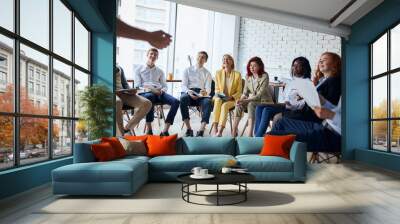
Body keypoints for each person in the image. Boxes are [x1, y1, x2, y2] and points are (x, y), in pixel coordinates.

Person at [254, 56, 312, 137]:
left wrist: (289, 104)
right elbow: (286, 96)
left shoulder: (307, 83)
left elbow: (304, 103)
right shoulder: (293, 81)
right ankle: (257, 135)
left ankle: (258, 138)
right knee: (259, 107)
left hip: (292, 110)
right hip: (284, 105)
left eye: (297, 66)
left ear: (304, 68)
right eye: (293, 65)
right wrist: (284, 102)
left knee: (267, 110)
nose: (294, 68)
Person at [270, 97, 341, 154]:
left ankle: (272, 159)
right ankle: (274, 156)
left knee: (273, 136)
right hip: (323, 125)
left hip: (334, 137)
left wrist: (331, 115)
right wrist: (323, 102)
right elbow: (338, 110)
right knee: (281, 122)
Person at [134, 48, 180, 136]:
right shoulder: (138, 69)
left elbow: (165, 86)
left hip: (159, 92)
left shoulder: (160, 71)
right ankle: (149, 129)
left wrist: (161, 91)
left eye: (155, 55)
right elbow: (137, 86)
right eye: (151, 54)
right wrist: (151, 89)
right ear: (147, 55)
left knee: (176, 101)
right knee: (150, 97)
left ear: (157, 57)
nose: (153, 56)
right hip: (146, 93)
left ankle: (165, 130)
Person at [231, 57, 272, 137]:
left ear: (260, 66)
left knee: (251, 104)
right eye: (250, 65)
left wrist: (246, 100)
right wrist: (240, 100)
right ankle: (234, 130)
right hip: (253, 100)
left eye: (254, 66)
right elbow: (245, 92)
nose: (252, 68)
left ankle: (249, 133)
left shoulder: (264, 76)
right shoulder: (248, 76)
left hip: (264, 101)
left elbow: (259, 95)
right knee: (239, 105)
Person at [180, 51, 213, 137]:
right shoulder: (187, 70)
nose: (200, 58)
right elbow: (183, 85)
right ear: (196, 57)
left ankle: (201, 130)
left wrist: (202, 93)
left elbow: (208, 89)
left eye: (203, 57)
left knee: (208, 102)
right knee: (182, 98)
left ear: (205, 60)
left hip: (201, 94)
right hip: (189, 92)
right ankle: (189, 129)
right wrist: (189, 92)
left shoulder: (207, 73)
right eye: (199, 56)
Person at [115, 66, 152, 136]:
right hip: (112, 94)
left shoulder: (119, 68)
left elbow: (125, 83)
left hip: (123, 93)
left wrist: (130, 90)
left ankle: (127, 128)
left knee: (147, 103)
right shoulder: (105, 65)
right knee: (118, 102)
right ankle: (121, 136)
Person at [212, 54, 242, 137]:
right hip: (220, 97)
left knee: (225, 106)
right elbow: (217, 89)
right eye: (224, 59)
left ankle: (220, 131)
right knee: (217, 100)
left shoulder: (237, 74)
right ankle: (215, 129)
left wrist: (231, 97)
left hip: (232, 99)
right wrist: (221, 96)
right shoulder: (218, 73)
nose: (226, 60)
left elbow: (239, 91)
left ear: (232, 62)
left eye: (228, 59)